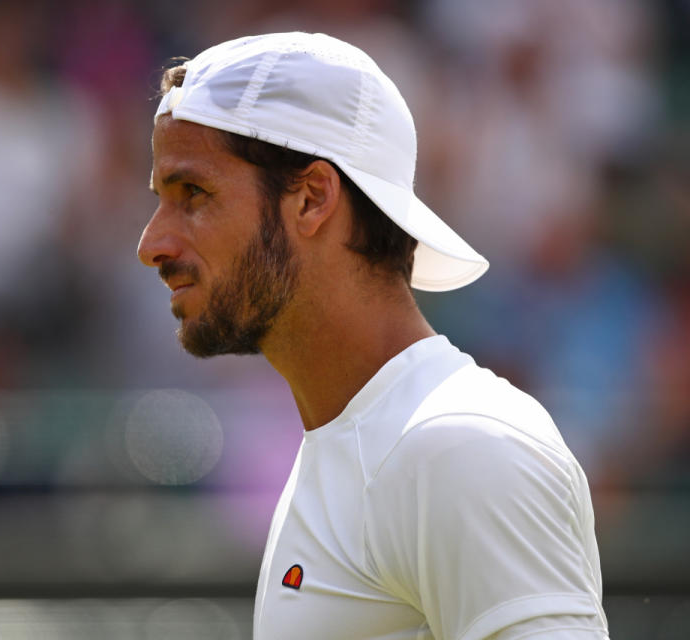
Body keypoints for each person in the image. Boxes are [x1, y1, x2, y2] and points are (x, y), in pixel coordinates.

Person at [137, 32, 609, 640]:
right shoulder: (359, 442)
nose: (152, 244)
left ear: (311, 199)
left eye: (192, 194)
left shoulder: (464, 446)